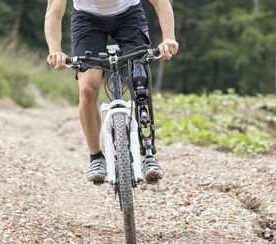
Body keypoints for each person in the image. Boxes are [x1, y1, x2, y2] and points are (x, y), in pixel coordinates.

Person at [45, 0, 179, 184]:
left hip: (128, 14)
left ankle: (148, 154)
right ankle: (96, 157)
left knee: (140, 81)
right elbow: (54, 11)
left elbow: (160, 2)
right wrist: (55, 51)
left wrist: (169, 37)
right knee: (87, 89)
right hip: (87, 19)